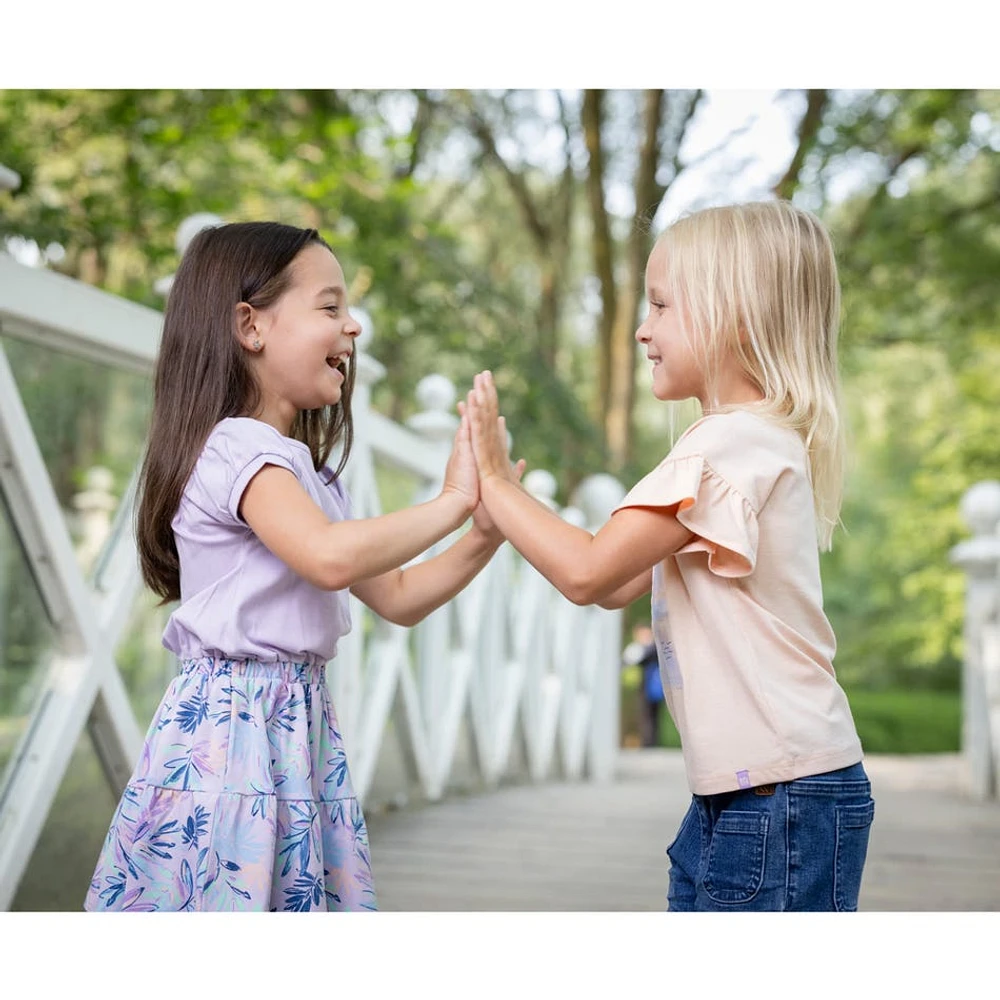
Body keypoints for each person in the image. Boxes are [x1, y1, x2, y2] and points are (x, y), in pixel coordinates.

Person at [84, 221, 521, 912]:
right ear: (250, 327)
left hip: (294, 727)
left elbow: (400, 596)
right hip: (231, 737)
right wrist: (456, 498)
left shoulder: (311, 476)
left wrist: (482, 534)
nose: (352, 328)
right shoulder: (236, 450)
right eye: (330, 307)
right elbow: (327, 557)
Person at [464, 200, 875, 912]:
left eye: (660, 305)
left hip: (778, 792)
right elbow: (618, 581)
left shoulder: (728, 447)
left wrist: (497, 485)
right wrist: (505, 510)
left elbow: (590, 571)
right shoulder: (743, 442)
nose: (642, 329)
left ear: (736, 317)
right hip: (760, 786)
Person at [622, 624, 663, 748]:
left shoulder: (650, 649)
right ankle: (649, 742)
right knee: (648, 716)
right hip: (647, 686)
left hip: (650, 686)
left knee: (649, 716)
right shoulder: (641, 649)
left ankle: (649, 742)